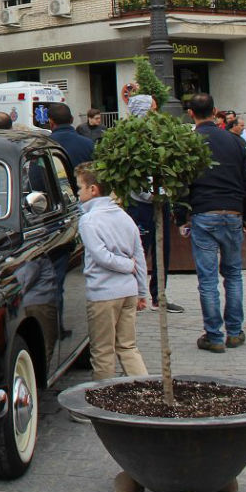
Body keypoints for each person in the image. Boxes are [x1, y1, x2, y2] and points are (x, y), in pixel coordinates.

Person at [178, 93, 246, 353]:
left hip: (204, 213)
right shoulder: (235, 142)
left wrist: (181, 217)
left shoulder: (189, 142)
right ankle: (234, 331)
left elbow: (181, 183)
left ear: (191, 114)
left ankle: (214, 335)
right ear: (216, 111)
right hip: (232, 212)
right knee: (233, 275)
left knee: (208, 278)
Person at [75, 163, 149, 381]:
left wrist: (128, 265)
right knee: (127, 347)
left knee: (103, 351)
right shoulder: (124, 216)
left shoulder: (89, 221)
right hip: (128, 290)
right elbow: (140, 255)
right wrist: (142, 291)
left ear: (93, 189)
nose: (77, 192)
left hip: (103, 293)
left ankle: (103, 400)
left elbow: (101, 256)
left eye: (80, 187)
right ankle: (144, 389)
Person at [122, 95, 182, 313]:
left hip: (160, 201)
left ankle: (159, 295)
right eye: (153, 109)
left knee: (162, 249)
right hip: (140, 204)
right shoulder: (130, 137)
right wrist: (149, 194)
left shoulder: (159, 135)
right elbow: (132, 174)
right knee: (137, 250)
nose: (156, 113)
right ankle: (135, 295)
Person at [47, 104, 94, 183]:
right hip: (84, 193)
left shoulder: (43, 146)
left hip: (53, 194)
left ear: (50, 122)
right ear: (72, 119)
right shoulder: (89, 144)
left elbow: (35, 180)